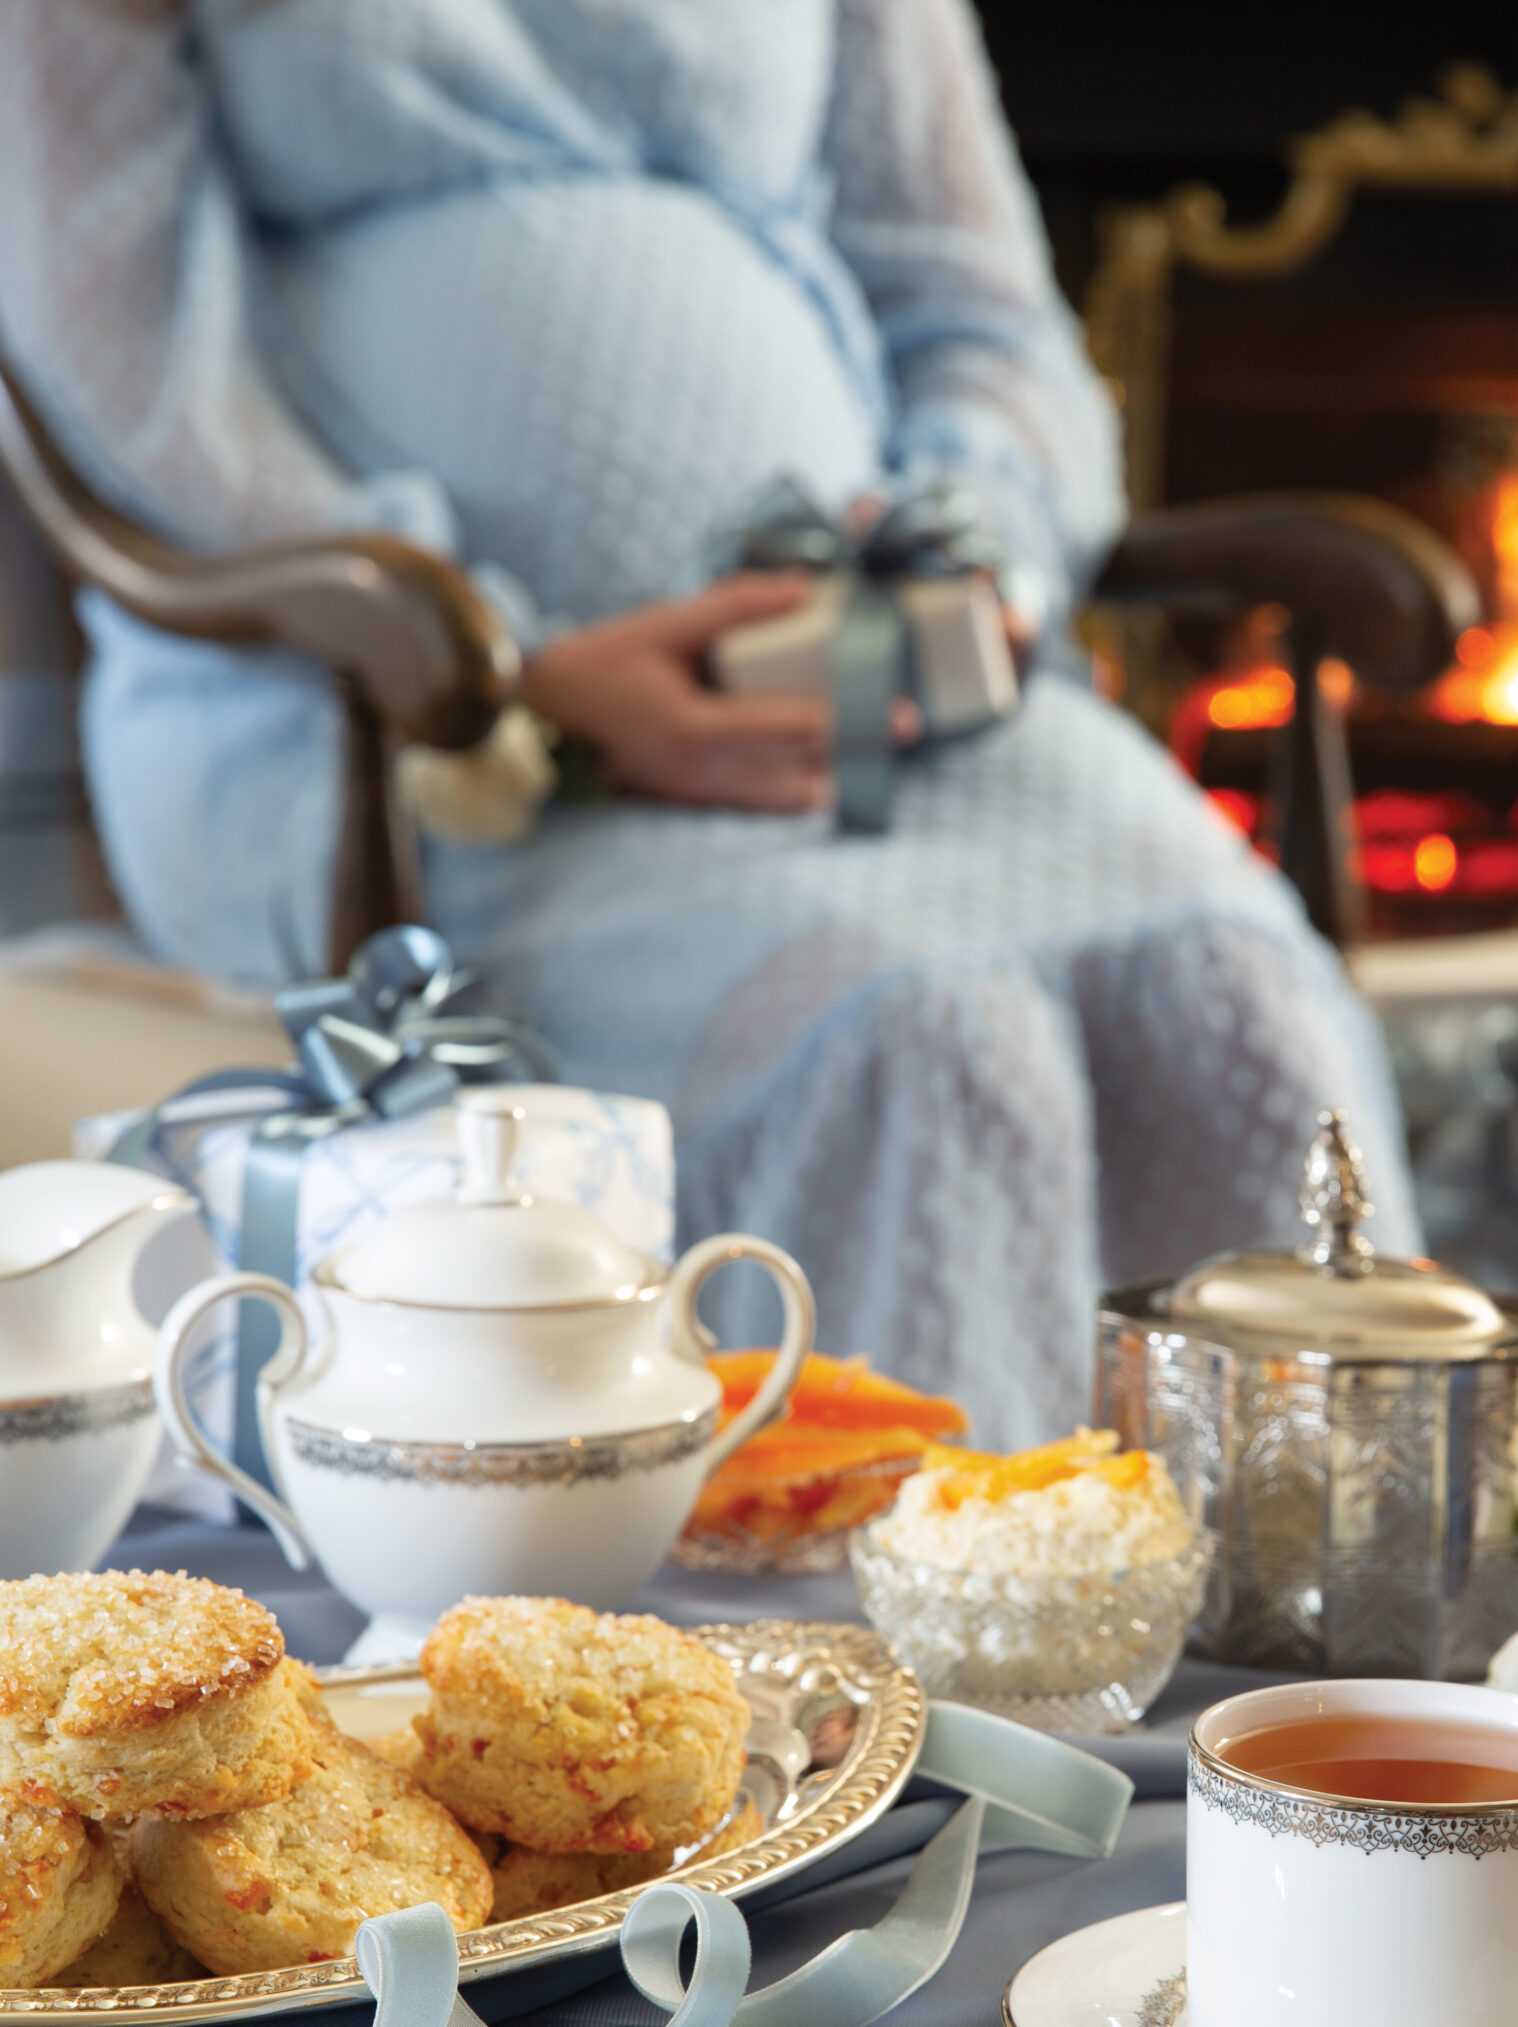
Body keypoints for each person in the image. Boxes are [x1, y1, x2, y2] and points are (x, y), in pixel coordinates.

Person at [0, 0, 1419, 1445]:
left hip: (877, 687)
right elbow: (122, 358)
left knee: (1239, 989)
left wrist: (970, 561)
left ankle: (1310, 1572)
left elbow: (980, 308)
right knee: (923, 1038)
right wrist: (516, 667)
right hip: (387, 721)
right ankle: (875, 1579)